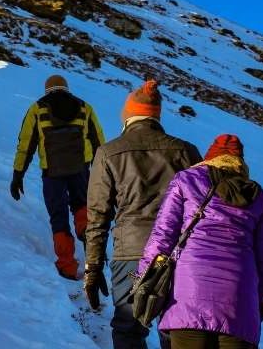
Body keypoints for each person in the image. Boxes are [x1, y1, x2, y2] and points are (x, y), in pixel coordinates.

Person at [84, 80, 202, 349]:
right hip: (179, 254)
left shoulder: (108, 153)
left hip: (131, 254)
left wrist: (93, 268)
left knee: (129, 329)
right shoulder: (185, 151)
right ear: (156, 115)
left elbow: (98, 216)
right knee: (176, 330)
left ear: (128, 115)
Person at [136, 134, 263, 349]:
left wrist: (145, 280)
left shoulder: (186, 180)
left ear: (209, 158)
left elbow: (162, 237)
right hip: (239, 301)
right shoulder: (257, 196)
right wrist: (257, 299)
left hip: (187, 295)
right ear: (241, 163)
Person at [10, 75, 105, 280]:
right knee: (82, 206)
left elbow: (25, 145)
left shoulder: (37, 109)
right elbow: (99, 141)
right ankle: (91, 243)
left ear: (47, 90)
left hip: (52, 173)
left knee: (58, 218)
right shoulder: (84, 107)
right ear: (67, 88)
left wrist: (18, 175)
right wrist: (103, 174)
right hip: (81, 169)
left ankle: (67, 266)